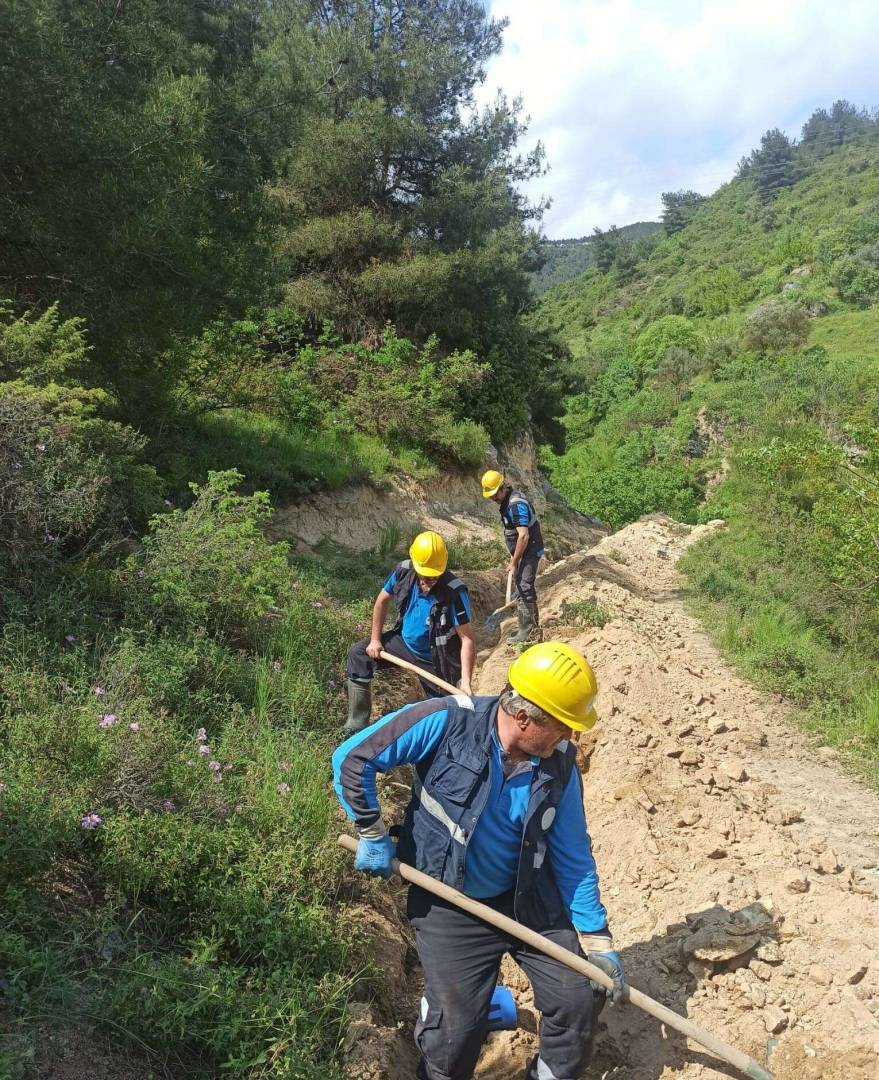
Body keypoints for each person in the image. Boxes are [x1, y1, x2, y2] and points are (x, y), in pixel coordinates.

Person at [333, 641, 623, 1080]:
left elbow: (573, 854)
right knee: (454, 1035)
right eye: (563, 727)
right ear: (525, 718)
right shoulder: (448, 720)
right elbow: (353, 760)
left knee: (578, 1001)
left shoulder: (560, 763)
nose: (571, 738)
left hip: (528, 901)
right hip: (449, 899)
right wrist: (372, 831)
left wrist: (598, 941)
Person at [344, 530, 475, 733]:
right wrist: (375, 640)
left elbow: (466, 639)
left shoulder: (454, 591)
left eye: (434, 576)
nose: (428, 580)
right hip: (403, 644)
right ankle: (357, 725)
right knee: (358, 655)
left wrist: (465, 681)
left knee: (448, 711)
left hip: (437, 660)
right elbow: (381, 601)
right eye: (425, 575)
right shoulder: (402, 572)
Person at [480, 470, 545, 644]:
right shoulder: (508, 500)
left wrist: (514, 561)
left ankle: (527, 631)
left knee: (524, 585)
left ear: (503, 488)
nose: (494, 499)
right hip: (522, 550)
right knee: (523, 584)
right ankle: (530, 626)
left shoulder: (516, 505)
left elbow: (523, 536)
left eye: (495, 494)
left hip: (529, 550)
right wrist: (514, 559)